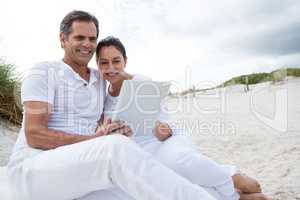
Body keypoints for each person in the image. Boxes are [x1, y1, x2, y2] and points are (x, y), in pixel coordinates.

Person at [7, 10, 222, 200]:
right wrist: (96, 140)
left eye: (92, 38)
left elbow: (112, 96)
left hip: (80, 165)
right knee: (116, 147)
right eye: (79, 37)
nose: (87, 44)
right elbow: (35, 134)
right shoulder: (43, 72)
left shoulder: (99, 79)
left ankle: (231, 194)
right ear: (62, 39)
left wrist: (109, 129)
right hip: (34, 167)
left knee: (137, 187)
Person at [92, 36, 271, 200]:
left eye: (116, 61)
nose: (111, 68)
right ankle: (236, 198)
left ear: (125, 61)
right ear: (98, 65)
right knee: (167, 181)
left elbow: (163, 131)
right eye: (104, 63)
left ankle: (230, 177)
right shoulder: (103, 100)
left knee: (173, 161)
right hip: (140, 150)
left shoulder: (140, 83)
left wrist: (150, 123)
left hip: (165, 138)